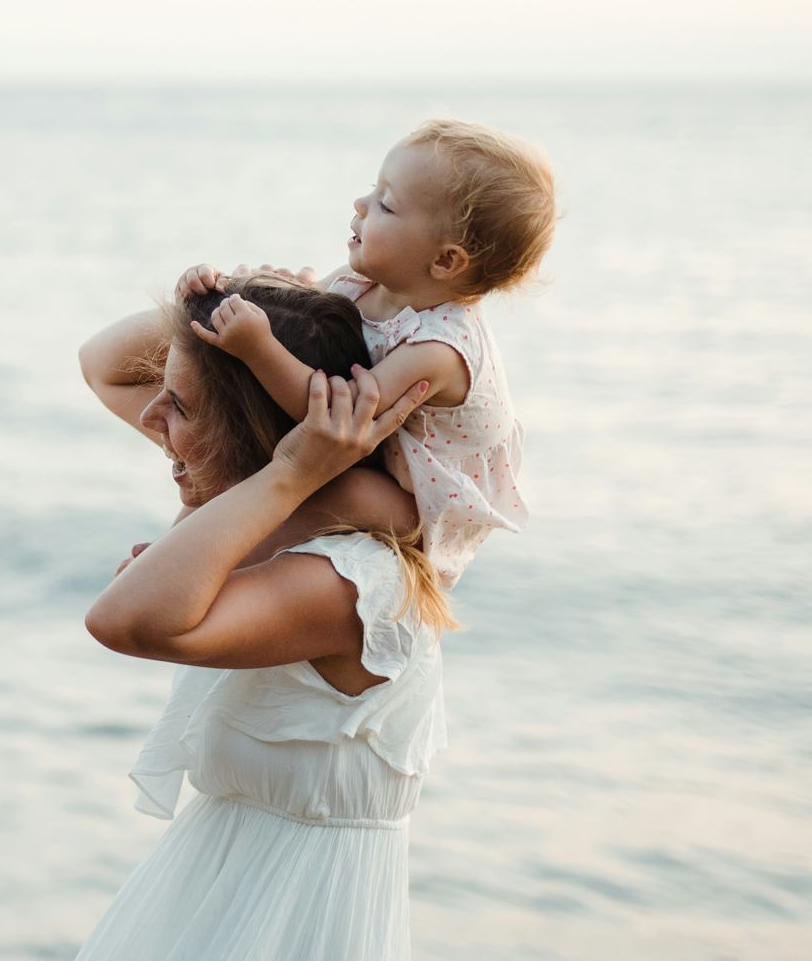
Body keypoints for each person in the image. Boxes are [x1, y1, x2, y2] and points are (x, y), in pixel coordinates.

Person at [73, 276, 443, 960]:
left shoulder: (345, 583)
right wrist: (251, 308)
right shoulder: (245, 507)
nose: (153, 418)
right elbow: (102, 363)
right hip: (217, 887)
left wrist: (292, 469)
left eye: (180, 404)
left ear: (253, 432)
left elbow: (123, 621)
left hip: (293, 918)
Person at [181, 118, 555, 585]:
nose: (361, 204)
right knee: (252, 460)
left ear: (445, 261)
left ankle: (208, 567)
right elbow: (300, 319)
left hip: (418, 503)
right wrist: (226, 289)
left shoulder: (437, 350)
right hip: (380, 454)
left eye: (387, 204)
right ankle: (185, 544)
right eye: (371, 189)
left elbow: (335, 422)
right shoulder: (369, 278)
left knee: (340, 493)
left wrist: (258, 348)